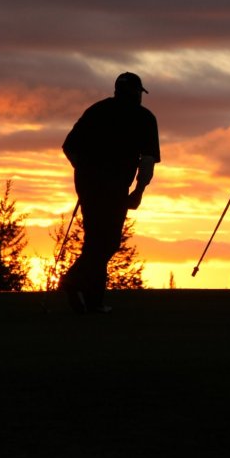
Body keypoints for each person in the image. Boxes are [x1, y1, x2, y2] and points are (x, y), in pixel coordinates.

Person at [60, 72, 160, 314]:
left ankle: (93, 302)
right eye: (138, 92)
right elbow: (146, 161)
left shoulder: (97, 111)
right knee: (108, 242)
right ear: (136, 92)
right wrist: (139, 191)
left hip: (88, 184)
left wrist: (82, 169)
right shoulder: (144, 117)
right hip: (114, 186)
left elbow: (69, 147)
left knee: (95, 240)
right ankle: (72, 281)